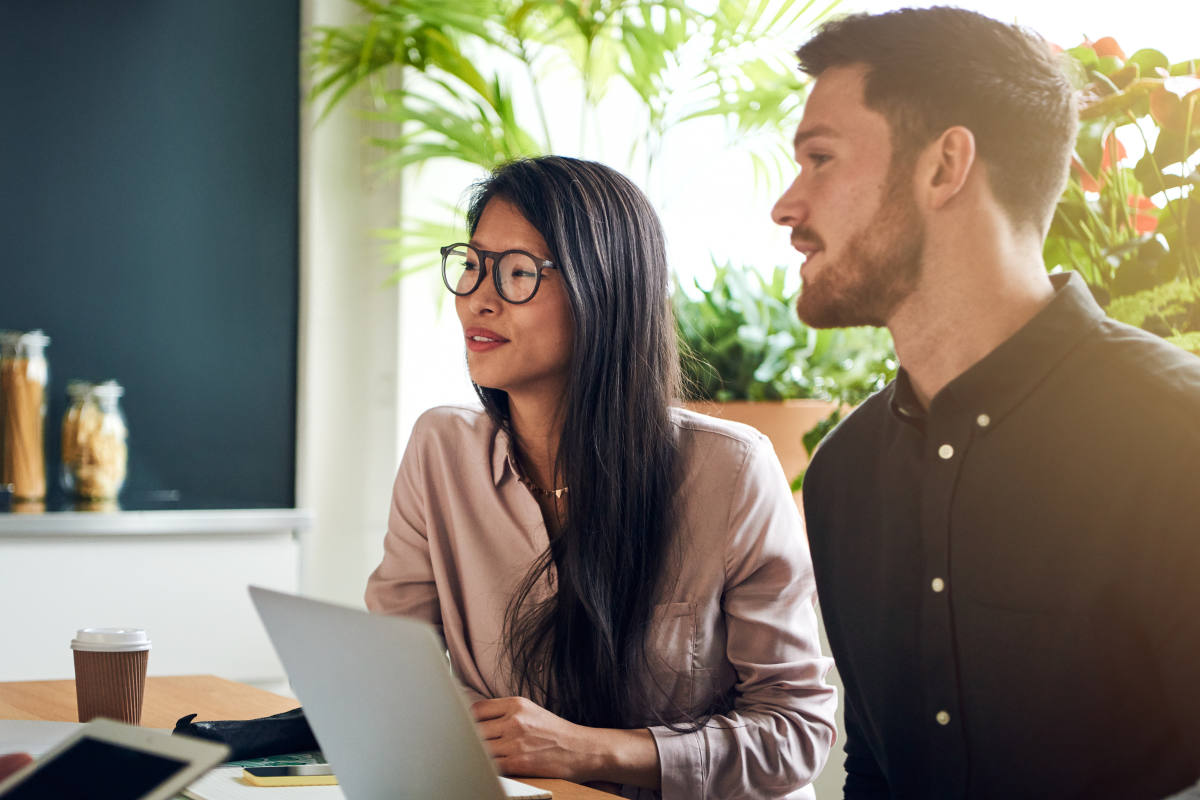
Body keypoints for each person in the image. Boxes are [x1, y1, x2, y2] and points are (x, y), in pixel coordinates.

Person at [771, 7, 1200, 799]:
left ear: (945, 165)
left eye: (820, 158)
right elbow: (873, 771)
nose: (787, 208)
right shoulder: (842, 478)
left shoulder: (1180, 439)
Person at [366, 156, 837, 799]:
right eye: (472, 264)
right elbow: (390, 675)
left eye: (518, 273)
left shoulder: (729, 470)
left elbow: (796, 732)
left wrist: (591, 752)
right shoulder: (440, 450)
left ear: (604, 289)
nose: (478, 297)